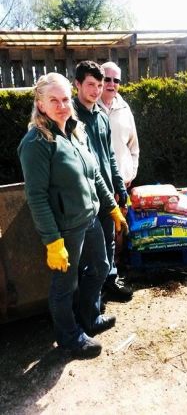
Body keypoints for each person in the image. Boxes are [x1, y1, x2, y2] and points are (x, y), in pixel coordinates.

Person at [17, 72, 128, 359]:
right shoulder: (36, 144)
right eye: (53, 100)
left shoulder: (76, 131)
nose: (62, 105)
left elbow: (95, 177)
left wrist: (111, 207)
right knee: (65, 285)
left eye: (65, 98)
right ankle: (69, 338)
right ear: (40, 104)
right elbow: (37, 197)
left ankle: (89, 318)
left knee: (102, 268)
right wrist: (53, 242)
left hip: (90, 219)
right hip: (66, 229)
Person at [74, 60, 133, 303]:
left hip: (107, 193)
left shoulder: (101, 116)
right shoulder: (70, 117)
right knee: (88, 252)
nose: (96, 90)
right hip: (85, 197)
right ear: (77, 84)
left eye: (99, 84)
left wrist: (120, 188)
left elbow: (109, 157)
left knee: (109, 242)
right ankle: (89, 299)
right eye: (91, 84)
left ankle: (110, 282)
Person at [98, 61, 139, 189]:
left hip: (122, 183)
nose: (112, 84)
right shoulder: (89, 108)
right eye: (107, 79)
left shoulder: (124, 108)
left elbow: (134, 146)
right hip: (98, 185)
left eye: (116, 80)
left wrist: (131, 173)